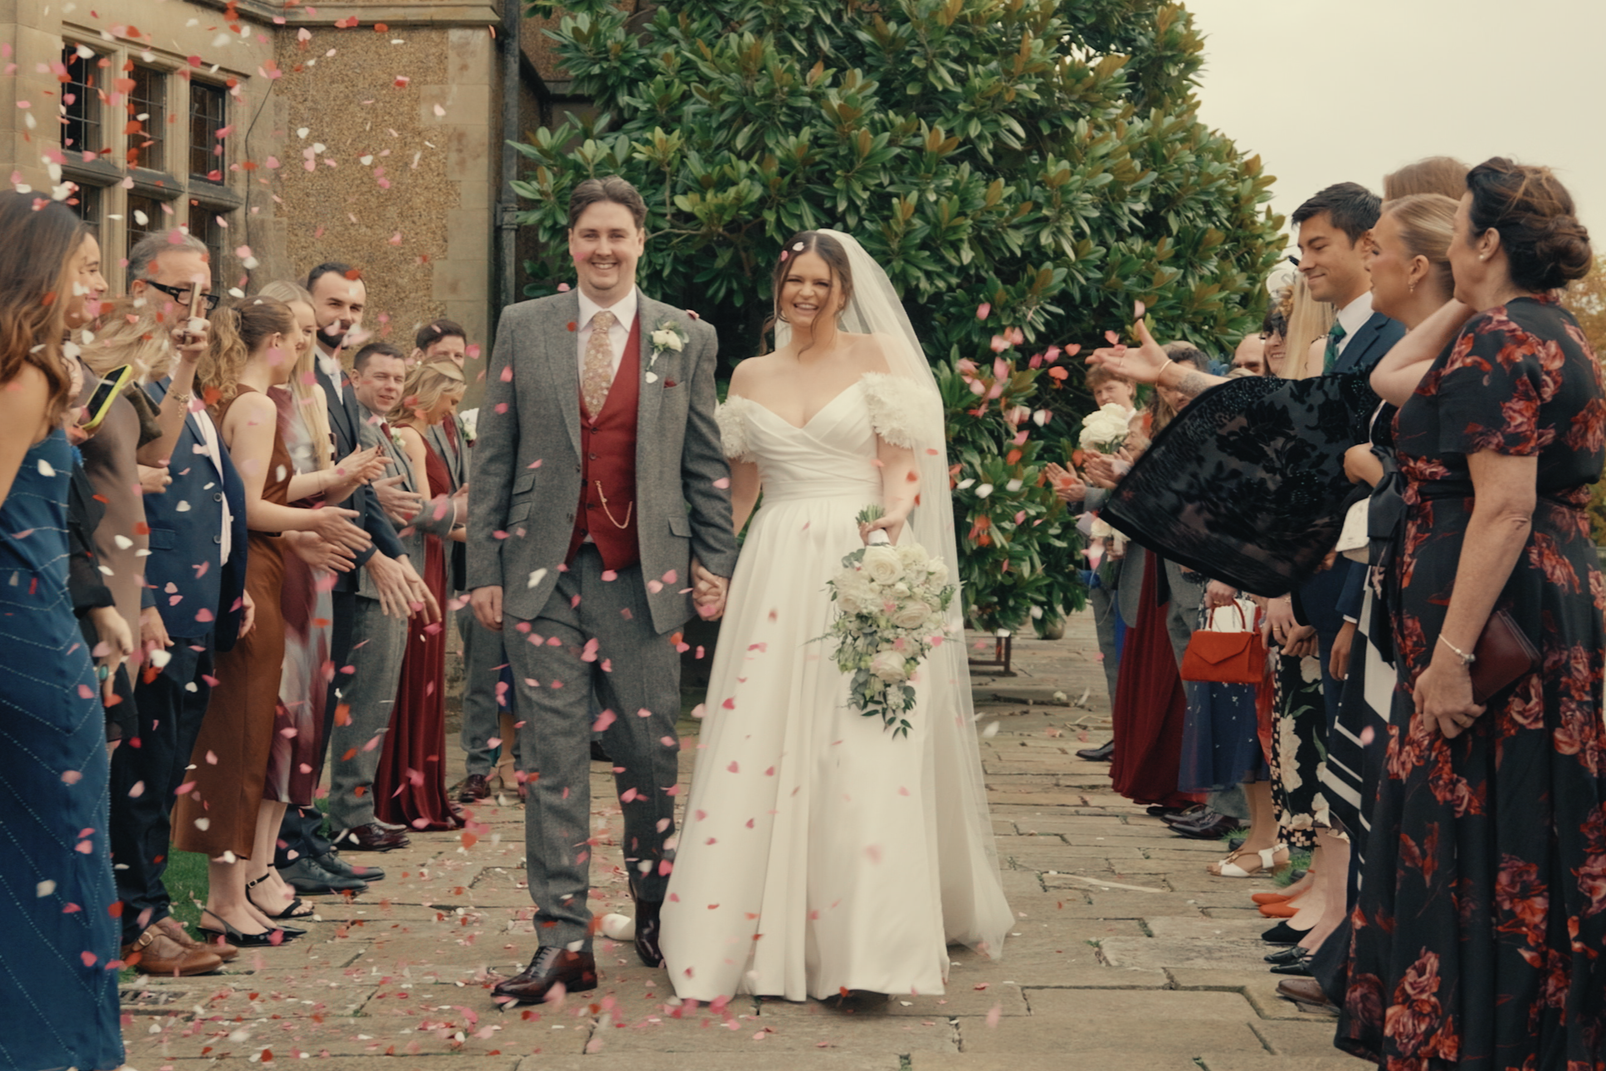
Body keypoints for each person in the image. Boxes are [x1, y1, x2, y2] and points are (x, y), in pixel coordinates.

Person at [657, 228, 1011, 1002]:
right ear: (779, 287)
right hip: (775, 566)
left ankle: (867, 953)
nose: (807, 293)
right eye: (796, 280)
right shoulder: (751, 372)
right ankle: (739, 929)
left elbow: (904, 468)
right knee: (761, 737)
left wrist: (894, 520)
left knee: (862, 742)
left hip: (860, 558)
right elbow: (742, 489)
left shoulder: (878, 356)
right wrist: (714, 565)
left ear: (845, 290)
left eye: (822, 282)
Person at [1338, 158, 1606, 1067]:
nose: (1448, 244)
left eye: (1460, 231)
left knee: (1481, 830)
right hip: (1540, 606)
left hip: (1496, 629)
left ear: (1487, 240)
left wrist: (1451, 657)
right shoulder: (1536, 328)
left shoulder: (1502, 341)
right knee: (1516, 825)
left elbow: (1505, 507)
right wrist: (1471, 294)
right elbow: (1392, 376)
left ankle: (1479, 1043)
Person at [470, 176, 741, 1005]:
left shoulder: (686, 338)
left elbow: (704, 460)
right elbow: (495, 453)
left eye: (618, 235)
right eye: (590, 234)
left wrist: (717, 561)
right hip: (542, 573)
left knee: (648, 753)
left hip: (643, 576)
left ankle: (656, 903)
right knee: (551, 758)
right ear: (571, 242)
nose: (603, 249)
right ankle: (563, 939)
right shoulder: (525, 325)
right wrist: (484, 569)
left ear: (641, 242)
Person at [172, 297, 369, 947]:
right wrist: (316, 519)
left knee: (246, 734)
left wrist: (307, 523)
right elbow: (250, 506)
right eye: (296, 338)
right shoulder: (255, 406)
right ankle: (219, 898)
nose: (304, 350)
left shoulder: (235, 400)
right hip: (252, 573)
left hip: (259, 564)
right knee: (240, 734)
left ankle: (226, 892)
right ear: (275, 343)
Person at [0, 191, 123, 1070]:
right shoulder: (29, 376)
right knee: (61, 839)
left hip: (31, 620)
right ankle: (61, 1046)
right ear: (38, 270)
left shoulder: (36, 373)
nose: (98, 286)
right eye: (85, 268)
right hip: (31, 638)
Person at [110, 231, 251, 976]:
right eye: (182, 293)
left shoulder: (182, 381)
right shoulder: (121, 374)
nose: (197, 309)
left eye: (207, 295)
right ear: (141, 292)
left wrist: (230, 583)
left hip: (195, 603)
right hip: (151, 605)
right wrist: (140, 598)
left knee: (166, 772)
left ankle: (152, 905)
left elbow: (214, 498)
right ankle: (135, 918)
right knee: (141, 770)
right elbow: (121, 499)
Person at [274, 262, 431, 886]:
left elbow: (359, 487)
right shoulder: (294, 380)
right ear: (306, 307)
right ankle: (287, 848)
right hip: (299, 558)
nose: (344, 317)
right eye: (333, 304)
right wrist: (376, 557)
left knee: (318, 715)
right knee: (295, 717)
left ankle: (307, 839)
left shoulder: (337, 382)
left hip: (339, 565)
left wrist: (392, 556)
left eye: (355, 308)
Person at [328, 341, 458, 847]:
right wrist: (457, 510)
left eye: (398, 379)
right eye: (380, 377)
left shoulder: (386, 431)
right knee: (361, 701)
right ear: (356, 379)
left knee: (376, 701)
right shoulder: (355, 429)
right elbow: (394, 505)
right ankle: (349, 817)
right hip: (366, 581)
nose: (390, 387)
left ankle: (359, 811)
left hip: (396, 577)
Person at [374, 358, 468, 829]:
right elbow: (420, 511)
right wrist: (465, 507)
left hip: (433, 557)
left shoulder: (425, 435)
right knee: (414, 669)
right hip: (417, 556)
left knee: (424, 667)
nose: (453, 411)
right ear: (430, 394)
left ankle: (421, 789)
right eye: (450, 400)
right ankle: (403, 793)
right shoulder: (410, 436)